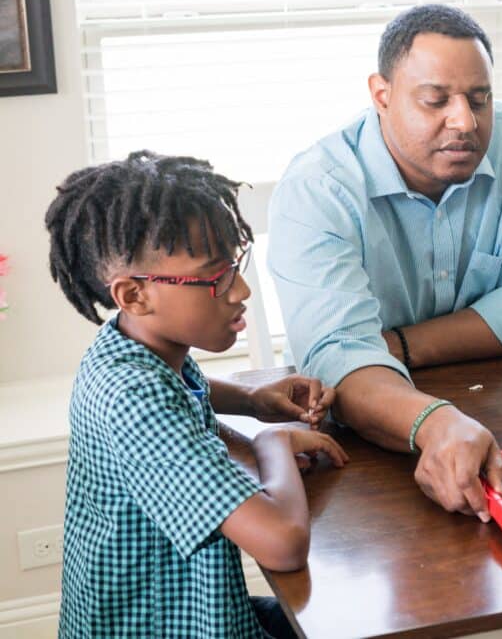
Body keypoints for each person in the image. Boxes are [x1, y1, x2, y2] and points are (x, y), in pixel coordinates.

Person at [268, 4, 502, 521]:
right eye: (435, 100)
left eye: (480, 99)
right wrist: (435, 421)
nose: (465, 121)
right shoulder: (317, 190)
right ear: (381, 94)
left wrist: (400, 345)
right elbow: (338, 360)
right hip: (364, 473)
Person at [46, 151, 348, 638]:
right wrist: (272, 442)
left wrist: (251, 400)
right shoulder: (133, 400)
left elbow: (180, 394)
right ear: (134, 295)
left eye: (235, 264)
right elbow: (283, 544)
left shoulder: (130, 348)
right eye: (215, 276)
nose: (241, 290)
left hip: (188, 606)